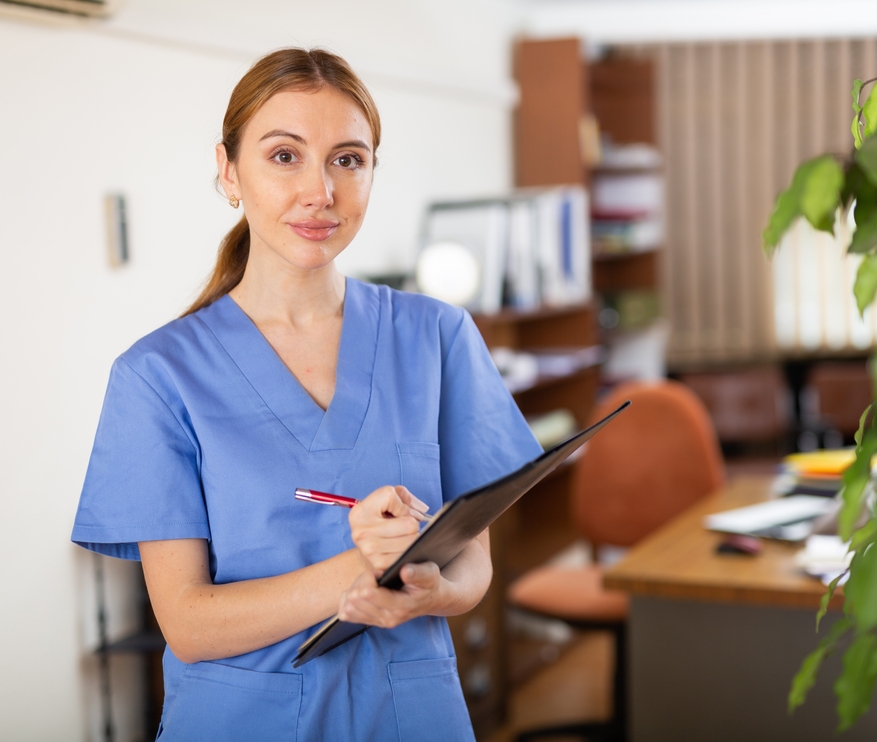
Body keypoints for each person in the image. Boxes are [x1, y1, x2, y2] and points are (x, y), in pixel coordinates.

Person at [71, 48, 541, 741]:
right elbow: (190, 625)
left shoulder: (437, 337)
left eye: (348, 159)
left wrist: (433, 592)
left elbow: (473, 560)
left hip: (412, 716)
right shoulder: (158, 375)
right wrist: (361, 569)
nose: (320, 190)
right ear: (229, 172)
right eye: (284, 156)